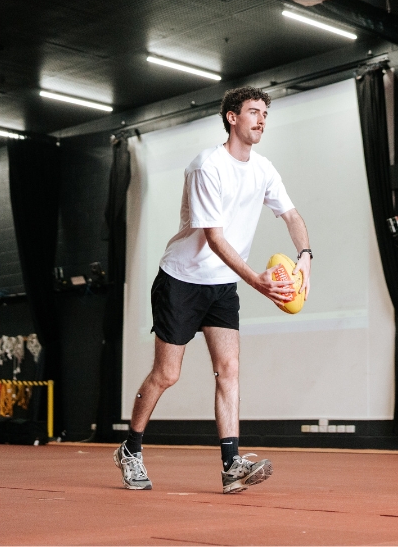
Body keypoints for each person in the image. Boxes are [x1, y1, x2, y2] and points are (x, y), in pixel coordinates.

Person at [114, 86, 312, 494]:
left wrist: (305, 255)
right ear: (231, 117)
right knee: (167, 374)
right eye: (253, 112)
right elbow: (216, 239)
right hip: (182, 280)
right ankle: (130, 449)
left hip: (221, 286)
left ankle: (231, 466)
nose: (260, 120)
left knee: (230, 370)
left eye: (265, 114)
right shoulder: (207, 166)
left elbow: (290, 215)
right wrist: (256, 279)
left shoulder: (264, 169)